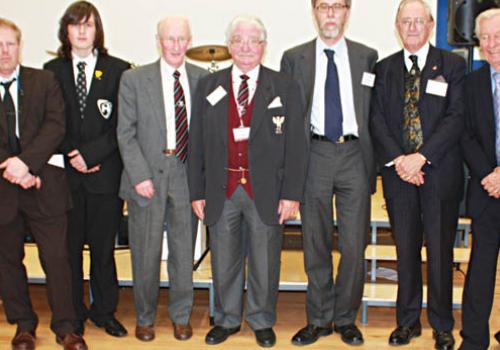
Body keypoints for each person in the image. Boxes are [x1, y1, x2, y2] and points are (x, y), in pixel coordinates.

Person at [188, 14, 307, 348]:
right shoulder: (209, 86)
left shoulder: (283, 85)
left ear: (263, 47)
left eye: (252, 40)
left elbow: (298, 144)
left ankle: (261, 319)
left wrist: (292, 194)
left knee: (265, 259)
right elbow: (195, 142)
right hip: (221, 189)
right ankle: (226, 319)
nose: (245, 47)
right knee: (223, 258)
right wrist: (196, 192)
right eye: (238, 40)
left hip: (266, 190)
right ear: (229, 46)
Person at [281, 0, 378, 346]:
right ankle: (319, 318)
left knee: (354, 246)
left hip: (354, 154)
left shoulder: (368, 56)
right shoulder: (294, 58)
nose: (331, 14)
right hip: (314, 154)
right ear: (314, 12)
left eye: (338, 6)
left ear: (348, 12)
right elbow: (289, 120)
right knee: (315, 243)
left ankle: (345, 318)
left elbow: (374, 113)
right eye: (324, 6)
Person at [370, 1, 465, 349]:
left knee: (440, 253)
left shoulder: (453, 65)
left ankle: (442, 324)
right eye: (405, 21)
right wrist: (401, 161)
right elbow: (376, 120)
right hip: (399, 176)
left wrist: (421, 158)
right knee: (406, 251)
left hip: (439, 174)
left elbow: (455, 118)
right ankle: (407, 321)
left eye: (418, 21)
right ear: (397, 25)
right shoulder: (384, 69)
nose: (412, 27)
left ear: (429, 24)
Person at [0, 17, 88, 350]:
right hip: (3, 188)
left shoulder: (44, 81)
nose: (4, 51)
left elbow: (55, 127)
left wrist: (27, 164)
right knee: (8, 262)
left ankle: (66, 328)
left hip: (44, 186)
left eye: (10, 44)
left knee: (57, 259)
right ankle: (23, 325)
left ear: (20, 46)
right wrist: (14, 169)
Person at [117, 16, 206, 342]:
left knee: (184, 253)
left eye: (182, 39)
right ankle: (144, 318)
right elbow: (125, 134)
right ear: (159, 40)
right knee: (145, 252)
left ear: (189, 40)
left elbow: (208, 135)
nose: (176, 45)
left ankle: (181, 316)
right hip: (147, 176)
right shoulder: (134, 79)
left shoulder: (201, 79)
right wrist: (139, 175)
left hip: (185, 174)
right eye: (170, 39)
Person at [44, 1, 130, 338]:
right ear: (66, 31)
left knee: (103, 249)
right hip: (66, 176)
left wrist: (92, 154)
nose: (82, 31)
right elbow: (49, 122)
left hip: (105, 175)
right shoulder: (51, 71)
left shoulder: (119, 70)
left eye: (88, 25)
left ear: (98, 31)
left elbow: (123, 125)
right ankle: (73, 313)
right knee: (69, 250)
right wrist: (72, 154)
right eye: (75, 25)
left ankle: (104, 311)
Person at [459, 8, 500, 350]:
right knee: (481, 269)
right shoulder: (472, 83)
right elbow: (466, 135)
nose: (491, 44)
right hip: (486, 190)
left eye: (497, 36)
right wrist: (490, 175)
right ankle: (473, 339)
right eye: (484, 37)